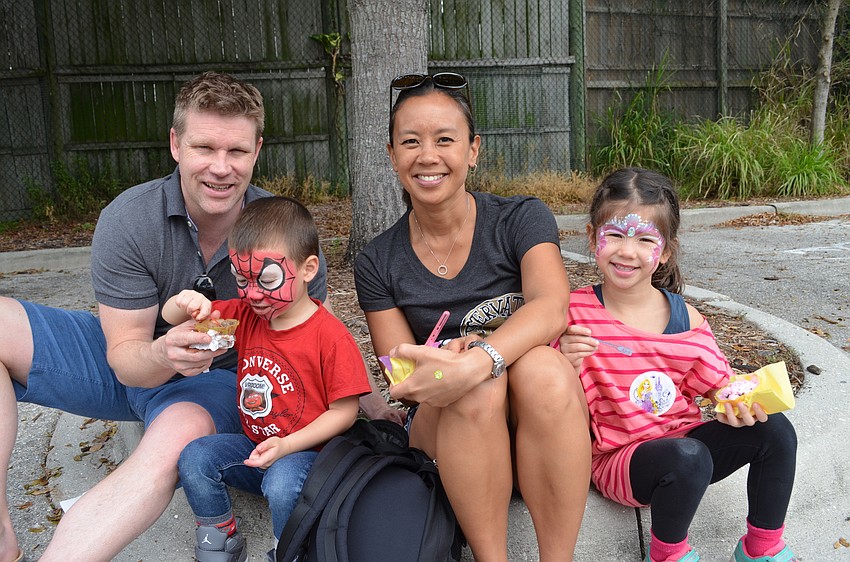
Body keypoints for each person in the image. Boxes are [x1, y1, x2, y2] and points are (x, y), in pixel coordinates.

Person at [0, 71, 400, 562]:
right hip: (136, 353)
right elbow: (126, 358)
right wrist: (163, 350)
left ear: (257, 150)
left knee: (177, 434)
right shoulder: (130, 218)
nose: (220, 168)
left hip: (226, 377)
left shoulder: (279, 231)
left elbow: (320, 340)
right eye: (204, 148)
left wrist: (377, 409)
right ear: (175, 144)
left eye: (236, 151)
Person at [353, 72, 591, 562]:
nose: (428, 155)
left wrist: (479, 354)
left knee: (544, 369)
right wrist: (452, 365)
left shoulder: (519, 219)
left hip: (530, 406)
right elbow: (401, 376)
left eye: (445, 139)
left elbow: (551, 305)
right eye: (411, 141)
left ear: (473, 149)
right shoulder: (378, 261)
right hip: (441, 419)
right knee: (473, 386)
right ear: (392, 154)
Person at [558, 167, 798, 562]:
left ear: (665, 250)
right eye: (615, 235)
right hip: (620, 460)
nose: (627, 251)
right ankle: (669, 554)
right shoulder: (573, 313)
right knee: (687, 456)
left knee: (775, 430)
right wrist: (559, 355)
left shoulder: (685, 319)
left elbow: (721, 387)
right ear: (591, 237)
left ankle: (763, 548)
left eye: (645, 239)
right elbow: (541, 387)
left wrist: (739, 405)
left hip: (687, 450)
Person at [163, 196, 371, 561]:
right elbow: (173, 319)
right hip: (255, 448)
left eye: (268, 279)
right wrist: (184, 302)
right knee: (195, 455)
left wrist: (288, 447)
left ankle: (289, 549)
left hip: (310, 456)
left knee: (281, 480)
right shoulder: (246, 315)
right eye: (241, 279)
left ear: (307, 269)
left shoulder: (330, 336)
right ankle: (219, 538)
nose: (253, 293)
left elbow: (345, 412)